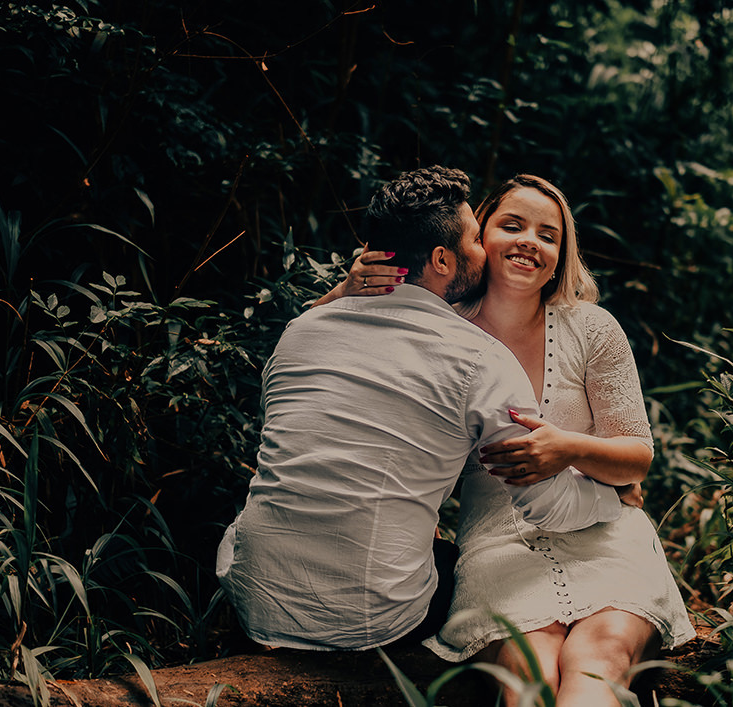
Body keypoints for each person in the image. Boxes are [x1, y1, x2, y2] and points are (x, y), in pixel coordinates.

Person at [215, 166, 625, 652]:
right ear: (441, 259)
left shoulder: (301, 332)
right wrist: (611, 496)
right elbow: (546, 507)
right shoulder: (483, 359)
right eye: (476, 239)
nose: (484, 250)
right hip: (372, 622)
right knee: (470, 576)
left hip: (252, 599)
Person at [337, 175, 695, 705]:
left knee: (600, 656)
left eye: (548, 235)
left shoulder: (591, 329)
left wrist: (571, 449)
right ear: (478, 242)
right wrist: (347, 292)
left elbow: (635, 459)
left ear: (560, 255)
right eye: (512, 225)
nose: (530, 240)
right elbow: (324, 353)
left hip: (606, 535)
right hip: (498, 546)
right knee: (528, 675)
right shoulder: (436, 331)